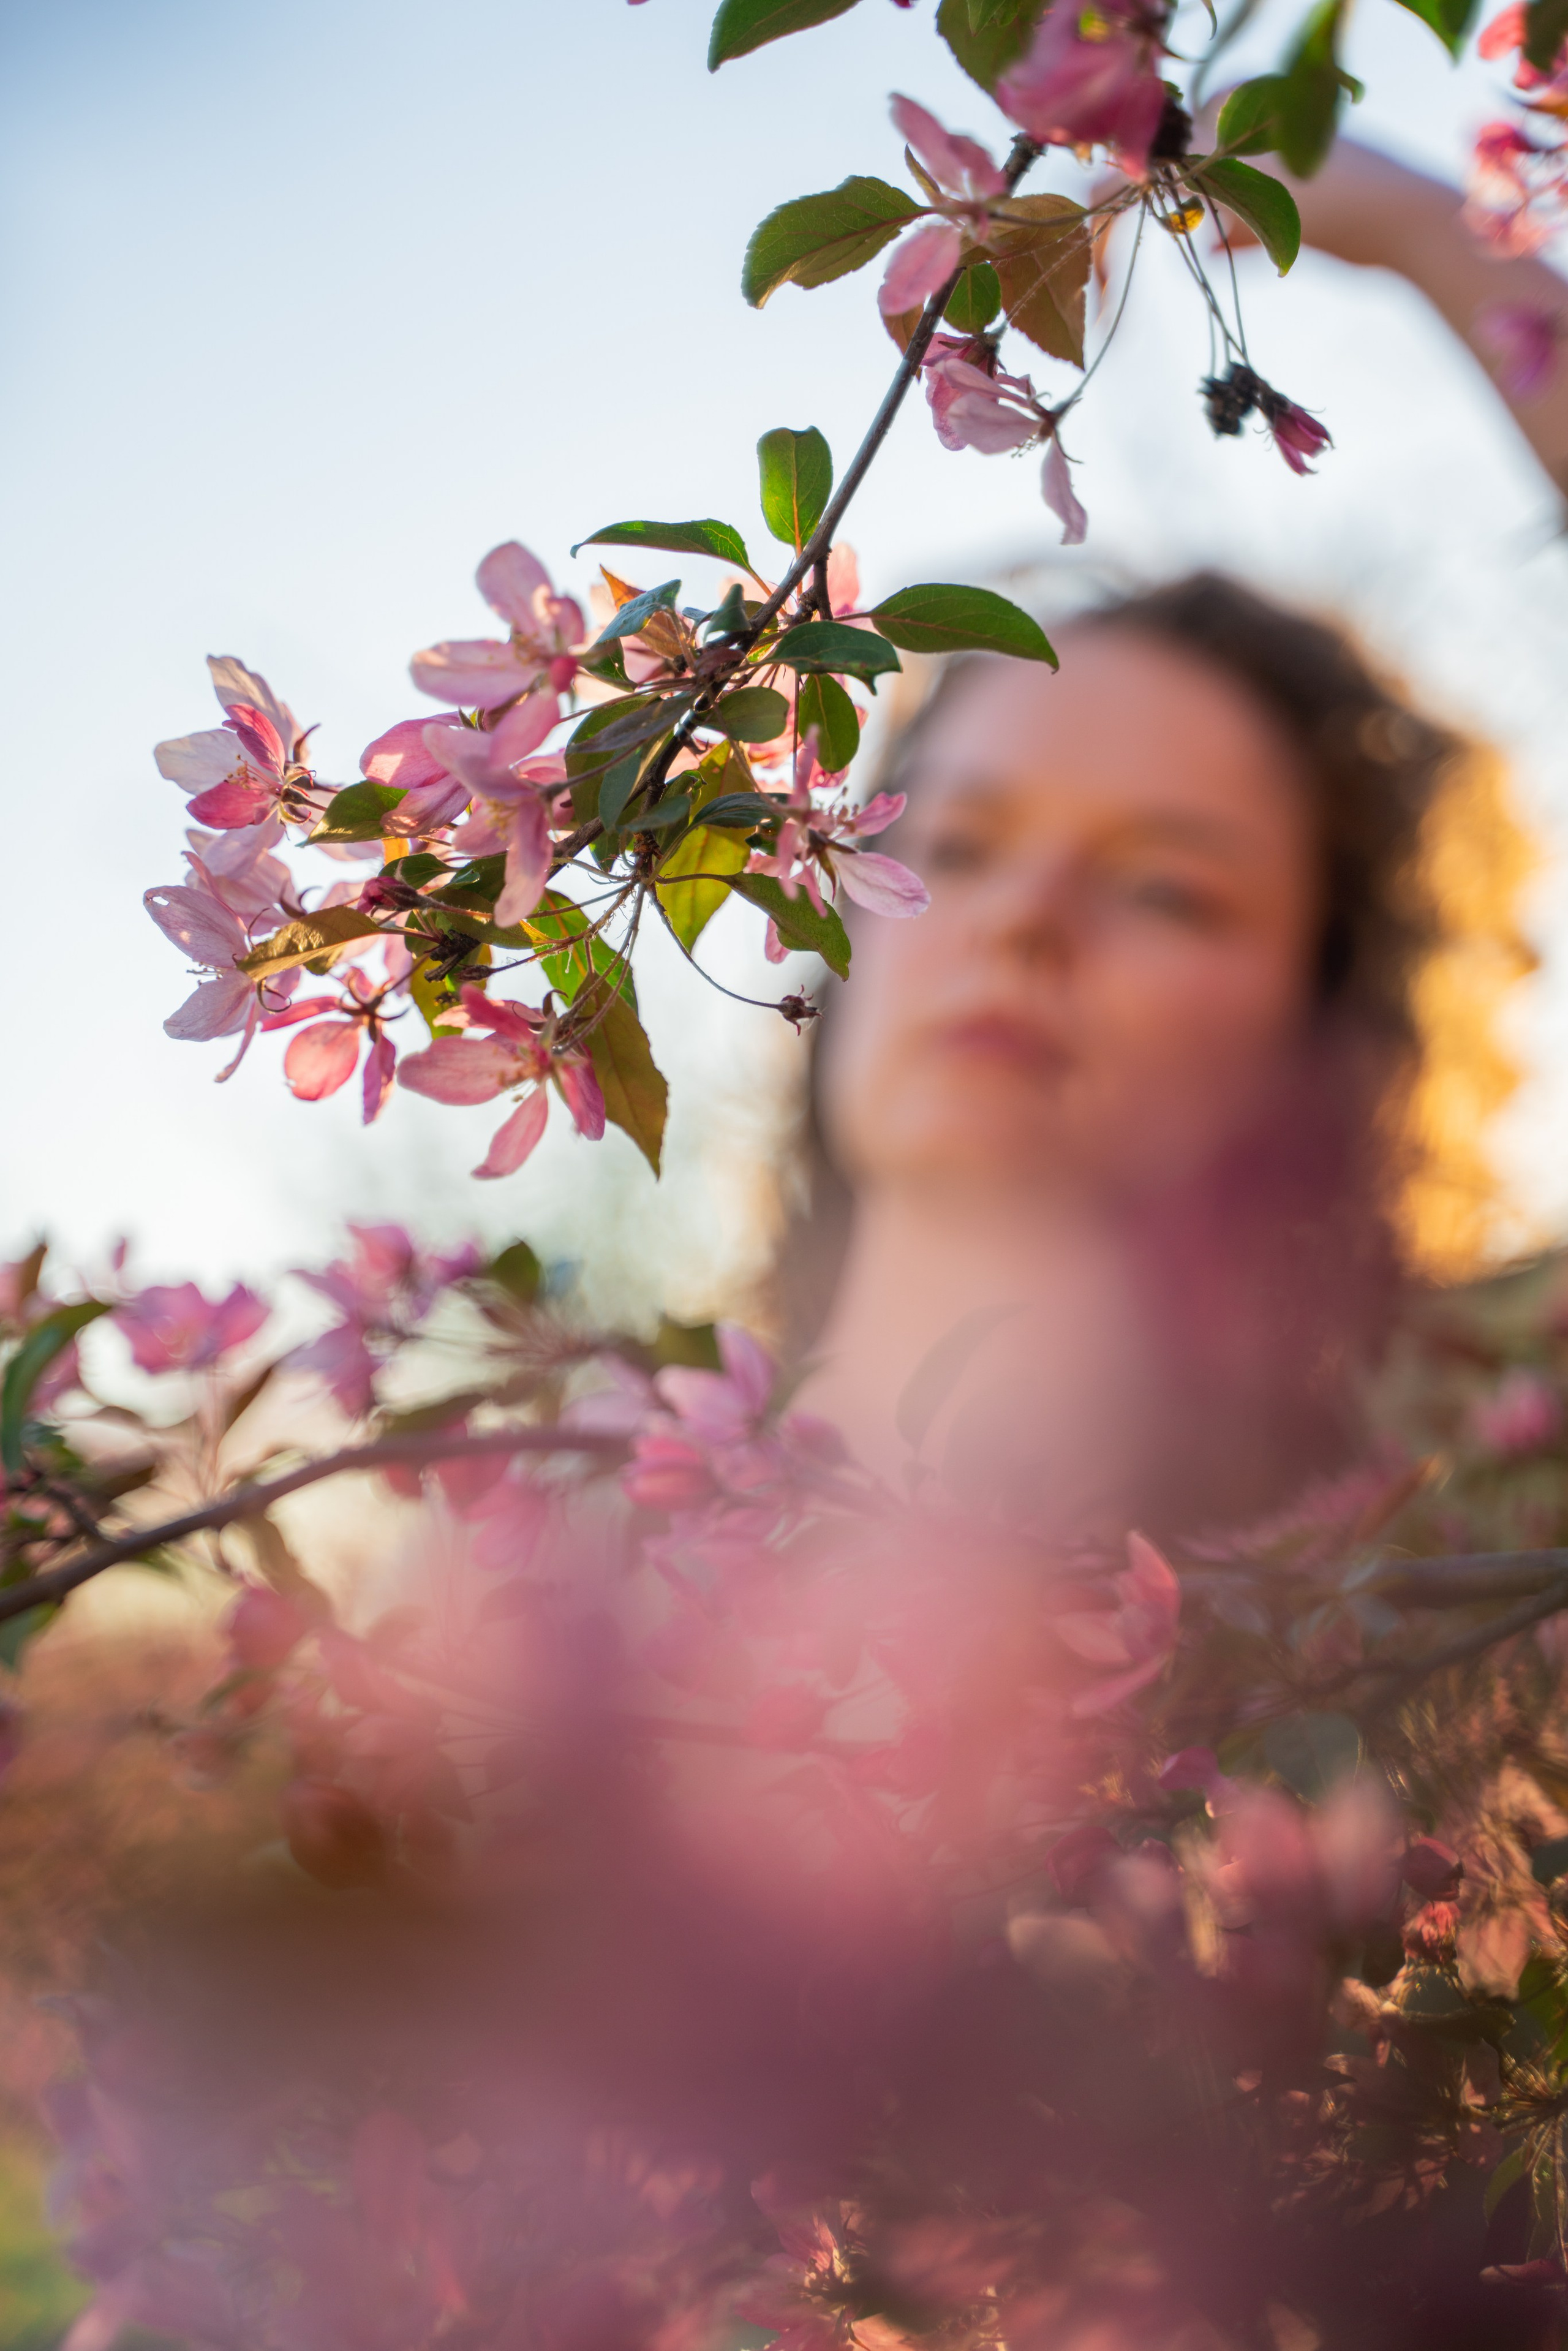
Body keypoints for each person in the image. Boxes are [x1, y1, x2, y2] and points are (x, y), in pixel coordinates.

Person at [789, 137, 1548, 1534]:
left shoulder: (1452, 1554)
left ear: (1326, 1026)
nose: (1022, 918)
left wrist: (1441, 242)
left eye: (1162, 887)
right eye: (955, 847)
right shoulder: (505, 1601)